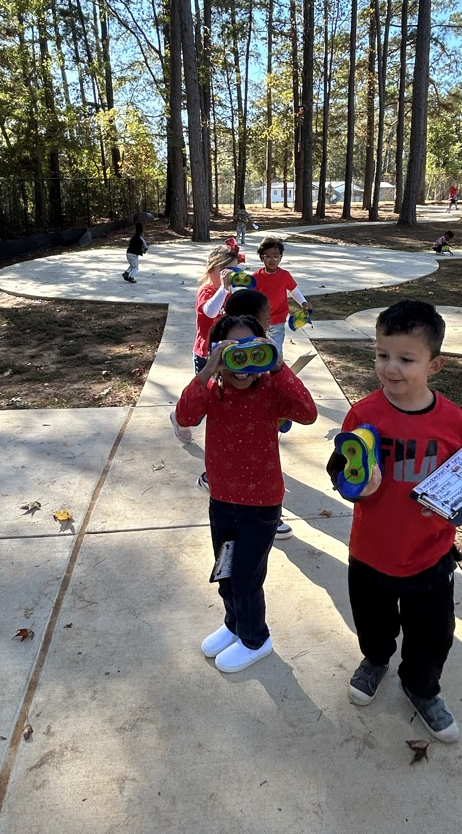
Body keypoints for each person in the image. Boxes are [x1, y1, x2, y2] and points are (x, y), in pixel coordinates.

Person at [331, 300, 462, 741]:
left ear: (435, 364)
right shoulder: (363, 414)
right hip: (371, 549)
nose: (390, 368)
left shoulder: (452, 420)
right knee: (372, 621)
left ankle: (421, 686)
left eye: (406, 359)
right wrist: (352, 483)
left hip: (430, 553)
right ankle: (376, 659)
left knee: (432, 633)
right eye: (382, 354)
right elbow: (340, 469)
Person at [174, 313, 317, 672]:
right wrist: (208, 370)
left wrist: (279, 367)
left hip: (261, 505)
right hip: (222, 500)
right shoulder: (212, 391)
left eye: (252, 350)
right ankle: (234, 623)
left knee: (246, 578)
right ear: (217, 355)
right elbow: (185, 417)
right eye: (232, 352)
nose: (243, 364)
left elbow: (308, 412)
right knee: (226, 571)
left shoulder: (270, 389)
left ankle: (256, 639)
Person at [224, 287, 292, 540]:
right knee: (243, 462)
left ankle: (270, 516)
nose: (270, 323)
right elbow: (187, 415)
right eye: (266, 318)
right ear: (251, 322)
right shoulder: (222, 365)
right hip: (239, 434)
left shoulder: (267, 352)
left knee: (258, 466)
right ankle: (269, 518)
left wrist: (281, 373)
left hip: (262, 428)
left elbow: (307, 411)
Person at [169, 242, 240, 445]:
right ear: (211, 271)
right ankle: (180, 417)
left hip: (226, 352)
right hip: (206, 354)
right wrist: (224, 289)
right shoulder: (207, 292)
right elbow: (210, 311)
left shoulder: (228, 293)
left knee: (224, 395)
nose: (230, 276)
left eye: (234, 271)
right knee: (202, 398)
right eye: (226, 271)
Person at [253, 237, 310, 359]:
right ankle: (262, 369)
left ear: (281, 257)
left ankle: (277, 368)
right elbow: (251, 298)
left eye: (275, 256)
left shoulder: (285, 275)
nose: (272, 260)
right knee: (260, 348)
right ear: (262, 258)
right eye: (268, 256)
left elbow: (294, 291)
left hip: (278, 319)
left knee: (276, 349)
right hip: (260, 320)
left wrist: (303, 303)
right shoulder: (256, 277)